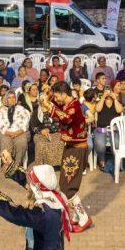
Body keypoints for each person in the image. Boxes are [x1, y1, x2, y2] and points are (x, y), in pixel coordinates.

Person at [48, 82, 92, 232]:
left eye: (57, 96)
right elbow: (57, 107)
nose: (56, 99)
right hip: (72, 147)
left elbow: (66, 119)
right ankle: (76, 216)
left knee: (68, 186)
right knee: (66, 182)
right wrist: (48, 96)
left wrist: (50, 108)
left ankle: (84, 218)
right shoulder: (68, 104)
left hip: (77, 149)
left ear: (63, 94)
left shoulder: (74, 107)